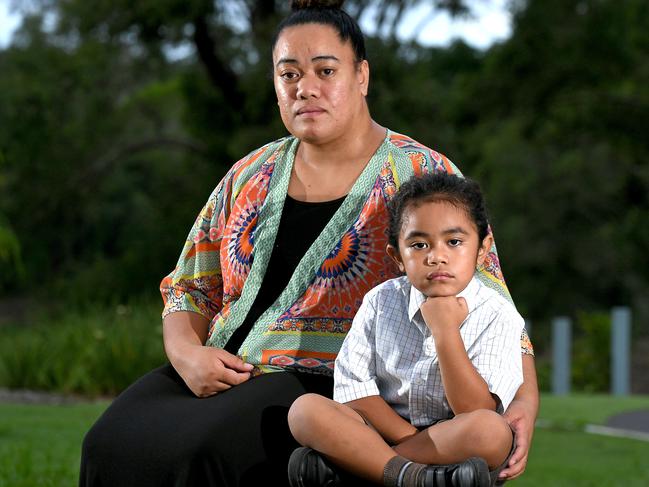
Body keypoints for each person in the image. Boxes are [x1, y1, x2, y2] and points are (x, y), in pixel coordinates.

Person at [79, 1, 538, 486]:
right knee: (108, 443)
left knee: (202, 454)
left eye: (325, 70)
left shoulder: (422, 176)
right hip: (215, 368)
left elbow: (490, 299)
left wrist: (524, 403)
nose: (306, 88)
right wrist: (186, 354)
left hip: (324, 385)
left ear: (361, 76)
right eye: (289, 73)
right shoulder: (249, 174)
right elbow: (190, 288)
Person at [287, 172, 524, 487]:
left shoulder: (499, 315)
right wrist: (409, 438)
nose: (436, 257)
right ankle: (415, 478)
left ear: (482, 249)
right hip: (381, 431)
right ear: (397, 257)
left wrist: (445, 332)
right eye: (419, 244)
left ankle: (365, 469)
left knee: (490, 432)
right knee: (305, 411)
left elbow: (475, 409)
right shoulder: (380, 302)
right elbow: (355, 393)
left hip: (454, 442)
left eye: (454, 242)